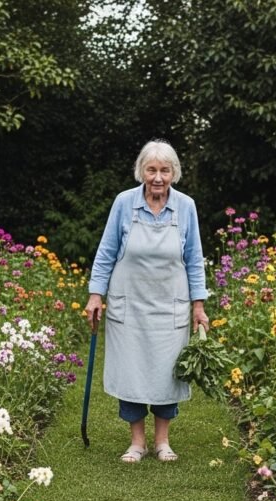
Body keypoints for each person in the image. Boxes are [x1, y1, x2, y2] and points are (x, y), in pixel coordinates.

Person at [84, 140, 209, 463]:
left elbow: (194, 259)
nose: (157, 177)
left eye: (164, 170)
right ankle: (137, 442)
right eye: (151, 170)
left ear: (174, 173)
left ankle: (162, 441)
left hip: (170, 307)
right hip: (131, 307)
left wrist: (198, 305)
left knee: (168, 373)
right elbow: (106, 252)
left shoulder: (186, 206)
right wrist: (96, 295)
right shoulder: (124, 203)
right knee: (132, 371)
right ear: (142, 171)